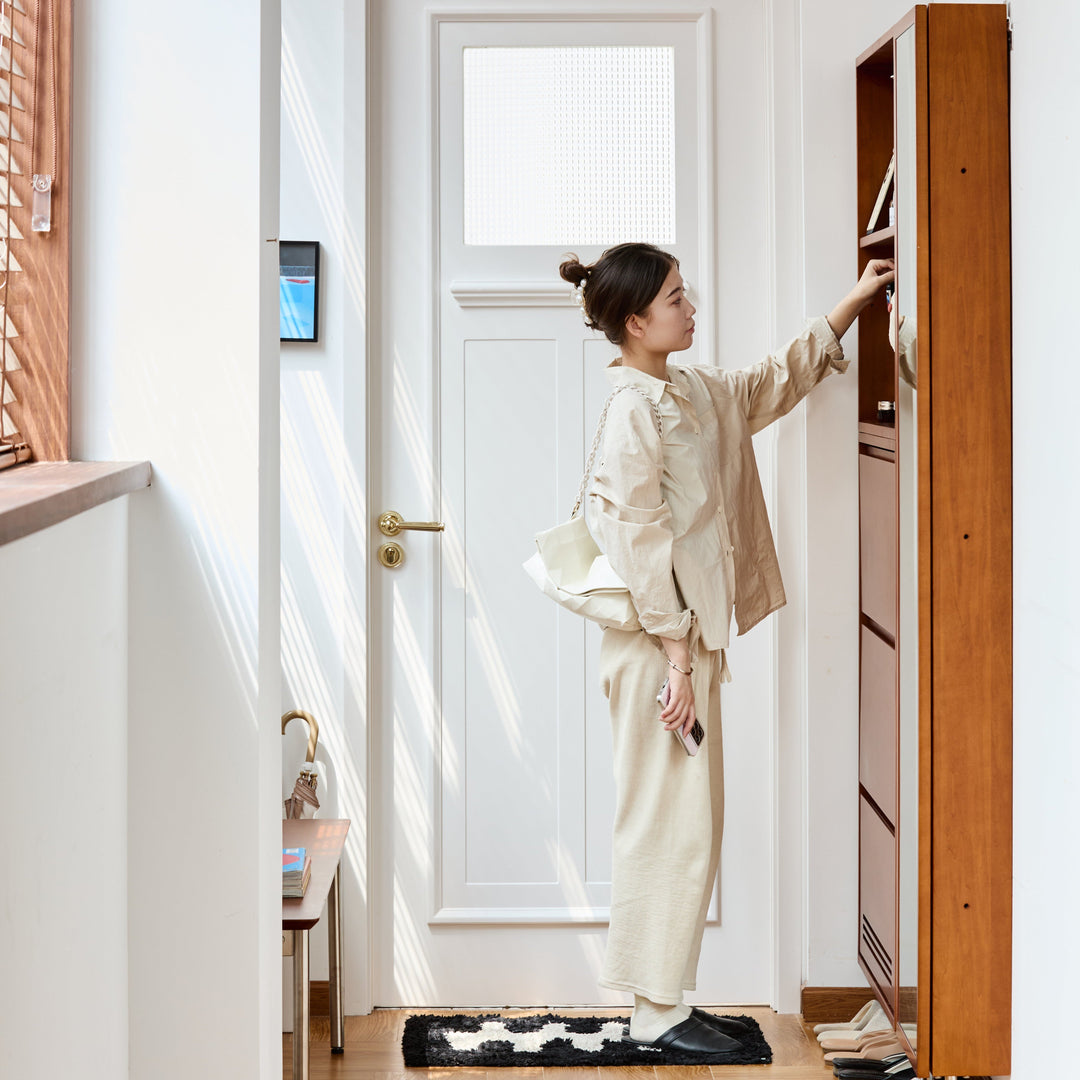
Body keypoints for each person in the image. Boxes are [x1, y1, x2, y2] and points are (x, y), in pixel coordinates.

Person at [557, 243, 893, 1059]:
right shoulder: (633, 412)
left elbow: (768, 382)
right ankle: (652, 1013)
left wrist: (852, 303)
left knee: (690, 823)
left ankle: (664, 1001)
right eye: (675, 298)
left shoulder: (693, 391)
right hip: (656, 652)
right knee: (664, 824)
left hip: (684, 644)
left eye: (686, 292)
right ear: (636, 323)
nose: (691, 307)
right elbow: (638, 544)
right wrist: (677, 662)